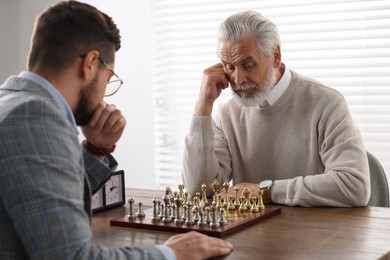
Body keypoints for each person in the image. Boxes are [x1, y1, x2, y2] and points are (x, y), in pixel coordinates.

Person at [0, 1, 233, 259]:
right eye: (109, 79)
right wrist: (170, 253)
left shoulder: (11, 104)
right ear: (90, 63)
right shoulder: (37, 117)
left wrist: (95, 149)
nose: (103, 97)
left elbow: (44, 204)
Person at [182, 10, 370, 207]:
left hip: (313, 234)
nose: (238, 80)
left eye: (248, 64)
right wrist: (202, 107)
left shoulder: (327, 103)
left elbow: (354, 185)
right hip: (251, 236)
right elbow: (199, 189)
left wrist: (267, 191)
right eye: (229, 67)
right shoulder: (226, 113)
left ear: (275, 56)